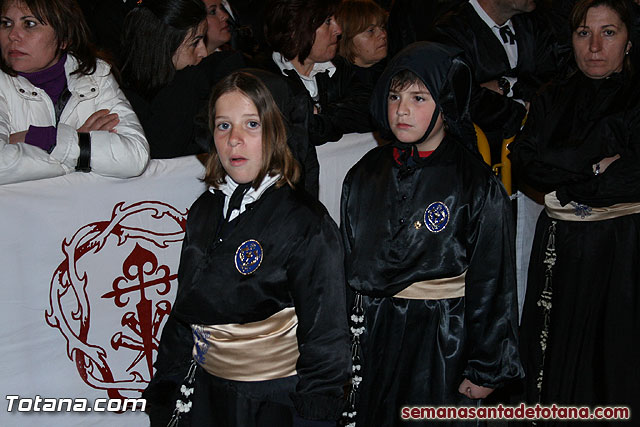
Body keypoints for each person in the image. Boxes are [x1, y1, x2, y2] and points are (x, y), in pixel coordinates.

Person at [144, 71, 350, 427]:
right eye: (223, 126)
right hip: (209, 392)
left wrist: (316, 409)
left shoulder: (305, 222)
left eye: (251, 124)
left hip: (274, 400)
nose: (234, 140)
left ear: (277, 132)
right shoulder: (205, 210)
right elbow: (186, 306)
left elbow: (326, 332)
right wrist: (168, 382)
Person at [340, 42, 522, 426]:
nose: (402, 109)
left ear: (446, 104)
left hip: (442, 337)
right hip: (375, 332)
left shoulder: (474, 183)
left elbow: (493, 279)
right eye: (394, 95)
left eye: (419, 98)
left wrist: (486, 366)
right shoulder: (363, 175)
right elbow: (347, 262)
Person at [511, 0, 640, 422]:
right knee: (557, 354)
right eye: (584, 33)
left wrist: (564, 169)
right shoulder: (552, 96)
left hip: (622, 251)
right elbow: (525, 160)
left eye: (609, 32)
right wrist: (594, 165)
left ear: (629, 39)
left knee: (616, 353)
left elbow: (633, 176)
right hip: (561, 248)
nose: (595, 46)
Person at [0, 0, 149, 185]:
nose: (13, 35)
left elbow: (134, 157)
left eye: (30, 24)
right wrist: (78, 147)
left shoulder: (95, 75)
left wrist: (46, 139)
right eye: (6, 23)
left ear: (64, 38)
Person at [120, 0, 245, 158]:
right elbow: (162, 152)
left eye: (203, 40)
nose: (203, 52)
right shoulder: (122, 96)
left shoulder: (214, 73)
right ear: (163, 46)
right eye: (195, 43)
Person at [263, 0, 373, 146]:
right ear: (294, 29)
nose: (338, 30)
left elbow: (369, 111)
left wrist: (320, 113)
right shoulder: (265, 79)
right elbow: (294, 135)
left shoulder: (339, 67)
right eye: (328, 22)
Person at [335, 0, 389, 88]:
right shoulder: (335, 83)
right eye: (371, 31)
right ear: (347, 38)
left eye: (382, 27)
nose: (383, 34)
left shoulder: (393, 72)